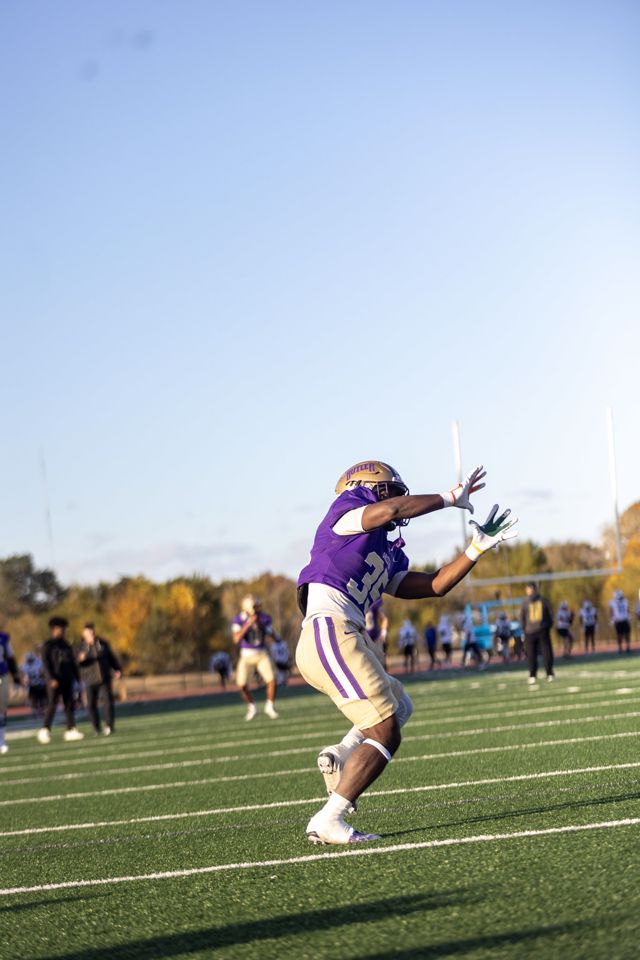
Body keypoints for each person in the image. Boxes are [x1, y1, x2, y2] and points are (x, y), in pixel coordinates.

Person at [295, 460, 517, 844]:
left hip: (342, 635)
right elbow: (392, 510)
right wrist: (449, 498)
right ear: (366, 487)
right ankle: (329, 819)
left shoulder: (384, 549)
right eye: (390, 490)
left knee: (400, 706)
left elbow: (434, 585)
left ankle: (342, 755)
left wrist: (475, 549)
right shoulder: (345, 515)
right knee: (386, 731)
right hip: (329, 630)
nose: (397, 498)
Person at [231, 595, 279, 720]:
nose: (259, 608)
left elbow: (273, 635)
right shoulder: (239, 619)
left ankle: (269, 706)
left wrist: (260, 624)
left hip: (261, 653)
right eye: (255, 606)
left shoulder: (264, 618)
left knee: (272, 680)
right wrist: (248, 624)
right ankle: (252, 707)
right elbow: (236, 639)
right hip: (246, 655)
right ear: (248, 607)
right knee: (241, 684)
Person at [38, 617, 84, 743]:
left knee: (69, 703)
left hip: (66, 679)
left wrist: (77, 677)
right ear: (54, 629)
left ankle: (71, 729)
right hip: (54, 680)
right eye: (60, 628)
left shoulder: (66, 645)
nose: (63, 631)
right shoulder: (48, 645)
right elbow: (46, 664)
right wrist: (51, 678)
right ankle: (45, 729)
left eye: (64, 628)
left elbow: (72, 662)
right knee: (52, 704)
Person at [76, 624, 122, 736]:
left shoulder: (102, 644)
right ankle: (96, 728)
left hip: (104, 678)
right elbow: (75, 662)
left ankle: (109, 726)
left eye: (92, 632)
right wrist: (80, 659)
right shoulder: (80, 647)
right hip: (89, 680)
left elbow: (111, 657)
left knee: (108, 702)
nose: (91, 635)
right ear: (84, 634)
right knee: (91, 705)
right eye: (88, 633)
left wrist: (117, 669)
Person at [520, 583, 555, 684]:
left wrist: (524, 628)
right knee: (545, 652)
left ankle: (533, 675)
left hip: (531, 631)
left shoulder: (525, 602)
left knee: (532, 654)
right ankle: (549, 673)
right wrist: (547, 626)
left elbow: (521, 617)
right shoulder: (543, 600)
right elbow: (550, 615)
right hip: (541, 630)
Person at [0, 631, 22, 755]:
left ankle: (1, 740)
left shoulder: (3, 638)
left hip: (1, 676)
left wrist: (16, 678)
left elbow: (10, 658)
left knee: (1, 709)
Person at [21, 650, 47, 714]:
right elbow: (23, 677)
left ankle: (41, 709)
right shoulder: (24, 666)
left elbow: (43, 673)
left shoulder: (39, 663)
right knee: (34, 700)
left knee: (41, 699)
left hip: (39, 684)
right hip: (32, 685)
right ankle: (37, 709)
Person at [365, 598, 389, 667]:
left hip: (376, 637)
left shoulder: (374, 601)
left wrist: (383, 633)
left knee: (380, 662)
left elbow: (384, 619)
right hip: (364, 638)